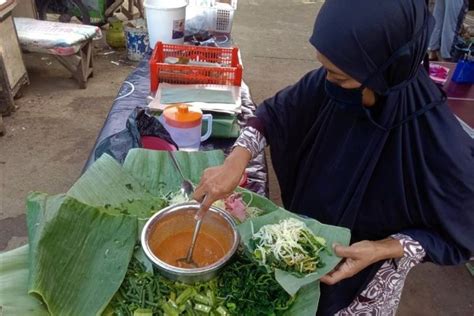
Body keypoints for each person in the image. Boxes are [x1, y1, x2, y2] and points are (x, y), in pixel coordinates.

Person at [194, 0, 474, 315]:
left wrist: (382, 248)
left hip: (367, 285)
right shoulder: (334, 84)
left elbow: (458, 234)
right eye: (326, 69)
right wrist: (236, 159)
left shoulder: (441, 147)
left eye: (339, 76)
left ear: (385, 70)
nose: (327, 81)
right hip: (301, 248)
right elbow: (275, 113)